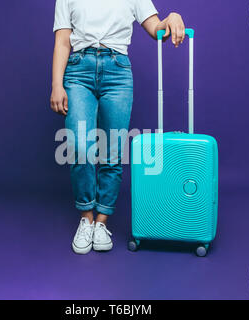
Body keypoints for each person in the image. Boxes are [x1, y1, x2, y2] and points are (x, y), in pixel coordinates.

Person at [51, 0, 185, 254]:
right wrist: (57, 85)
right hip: (78, 70)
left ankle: (101, 222)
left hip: (118, 72)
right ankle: (86, 218)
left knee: (112, 152)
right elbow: (62, 41)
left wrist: (172, 17)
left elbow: (157, 28)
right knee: (80, 147)